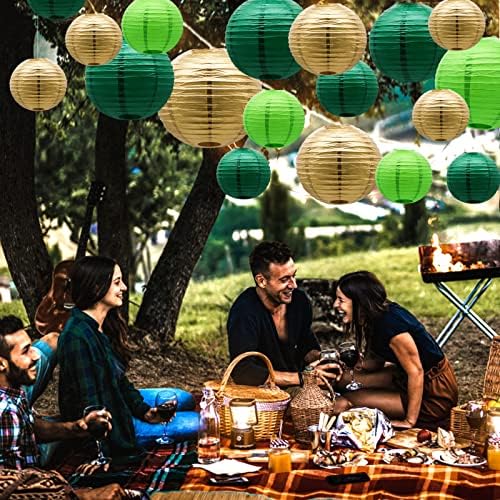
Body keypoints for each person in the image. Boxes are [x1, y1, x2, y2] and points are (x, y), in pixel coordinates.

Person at [58, 256, 198, 458]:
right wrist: (102, 450)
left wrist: (145, 412)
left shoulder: (101, 324)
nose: (124, 287)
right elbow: (89, 404)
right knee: (198, 422)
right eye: (117, 282)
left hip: (115, 399)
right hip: (112, 423)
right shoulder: (77, 338)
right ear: (97, 287)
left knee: (183, 398)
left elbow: (118, 381)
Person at [0, 315, 125, 499]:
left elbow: (30, 425)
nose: (35, 356)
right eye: (26, 351)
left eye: (32, 347)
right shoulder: (6, 412)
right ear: (2, 363)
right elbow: (17, 488)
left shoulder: (15, 391)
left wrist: (77, 427)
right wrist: (82, 495)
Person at [333, 271, 458, 430]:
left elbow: (416, 372)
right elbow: (374, 364)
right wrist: (348, 362)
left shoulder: (390, 325)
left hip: (433, 392)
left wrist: (409, 421)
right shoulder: (373, 317)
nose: (335, 305)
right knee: (342, 381)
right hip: (404, 377)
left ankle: (411, 415)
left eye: (341, 300)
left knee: (348, 400)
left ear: (360, 302)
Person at [227, 241, 341, 388]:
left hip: (301, 384)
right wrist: (303, 378)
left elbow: (306, 346)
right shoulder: (244, 312)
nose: (293, 285)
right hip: (265, 393)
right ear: (261, 281)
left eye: (294, 276)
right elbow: (243, 371)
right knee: (338, 405)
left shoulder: (299, 301)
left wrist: (326, 359)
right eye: (284, 279)